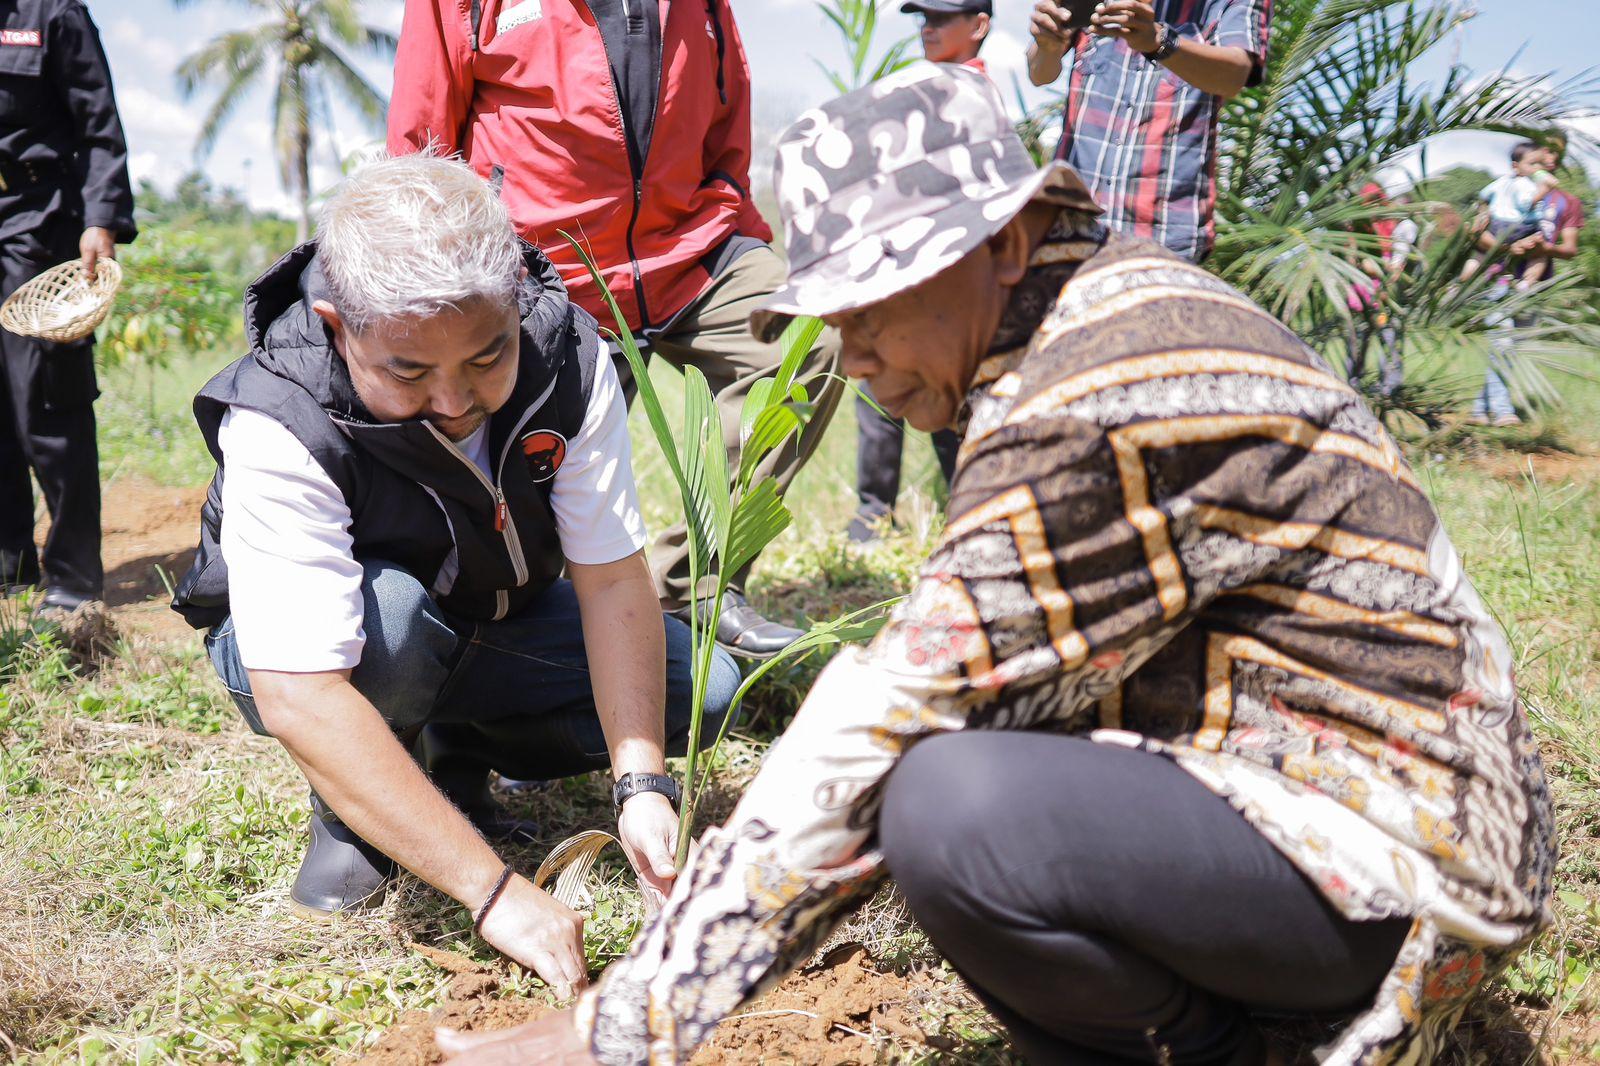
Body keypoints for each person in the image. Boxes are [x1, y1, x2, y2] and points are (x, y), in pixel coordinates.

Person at [436, 65, 1556, 1066]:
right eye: (835, 313)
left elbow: (887, 718)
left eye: (881, 301)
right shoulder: (1086, 315)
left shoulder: (1096, 391)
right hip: (1339, 797)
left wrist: (616, 1029)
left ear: (1008, 243)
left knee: (949, 803)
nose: (853, 353)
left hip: (1403, 858)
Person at [169, 155, 740, 995]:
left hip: (489, 616)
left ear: (515, 302)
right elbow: (303, 691)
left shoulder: (568, 359)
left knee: (707, 684)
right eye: (408, 371)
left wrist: (641, 782)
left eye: (486, 356)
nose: (454, 399)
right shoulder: (280, 418)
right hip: (334, 654)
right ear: (336, 325)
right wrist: (496, 891)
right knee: (391, 624)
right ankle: (354, 819)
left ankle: (453, 747)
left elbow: (614, 580)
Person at [388, 0, 843, 658]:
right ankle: (540, 650)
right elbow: (420, 146)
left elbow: (727, 115)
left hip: (691, 247)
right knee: (533, 480)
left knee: (808, 336)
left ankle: (696, 585)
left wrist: (733, 222)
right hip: (544, 267)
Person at [0, 0, 135, 611]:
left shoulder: (51, 12)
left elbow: (100, 124)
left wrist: (101, 220)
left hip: (40, 224)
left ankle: (73, 581)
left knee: (46, 405)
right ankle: (10, 564)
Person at [846, 0, 993, 543]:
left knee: (948, 395)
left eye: (941, 18)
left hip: (944, 275)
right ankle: (873, 513)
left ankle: (966, 514)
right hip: (893, 266)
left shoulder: (977, 100)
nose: (927, 28)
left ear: (979, 26)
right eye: (922, 18)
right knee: (877, 388)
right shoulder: (916, 90)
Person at [1027, 0, 1271, 262]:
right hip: (1066, 223)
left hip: (1163, 238)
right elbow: (1040, 73)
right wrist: (1047, 46)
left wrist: (1159, 41)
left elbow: (1235, 74)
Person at [1471, 140, 1586, 427]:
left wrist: (1543, 250)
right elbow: (1476, 232)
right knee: (1502, 342)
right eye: (1542, 153)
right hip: (1499, 276)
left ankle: (1479, 409)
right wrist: (1510, 249)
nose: (1548, 158)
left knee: (1511, 347)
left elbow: (1570, 249)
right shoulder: (1505, 188)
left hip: (1534, 282)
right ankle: (1501, 409)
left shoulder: (1567, 202)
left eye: (1553, 154)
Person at [1343, 182, 1419, 397]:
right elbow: (1351, 259)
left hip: (1385, 292)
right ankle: (1352, 384)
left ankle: (1390, 388)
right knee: (1358, 339)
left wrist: (1385, 280)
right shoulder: (1357, 229)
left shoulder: (1397, 227)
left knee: (1389, 338)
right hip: (1361, 291)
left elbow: (1398, 262)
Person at [1460, 140, 1559, 287]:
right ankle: (1526, 283)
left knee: (1480, 253)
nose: (1538, 168)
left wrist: (1483, 213)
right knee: (1540, 254)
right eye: (1533, 164)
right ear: (1516, 166)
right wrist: (1544, 189)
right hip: (1519, 227)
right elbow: (1526, 204)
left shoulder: (1502, 180)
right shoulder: (1526, 184)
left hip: (1496, 225)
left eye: (1541, 164)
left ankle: (1462, 281)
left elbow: (1484, 195)